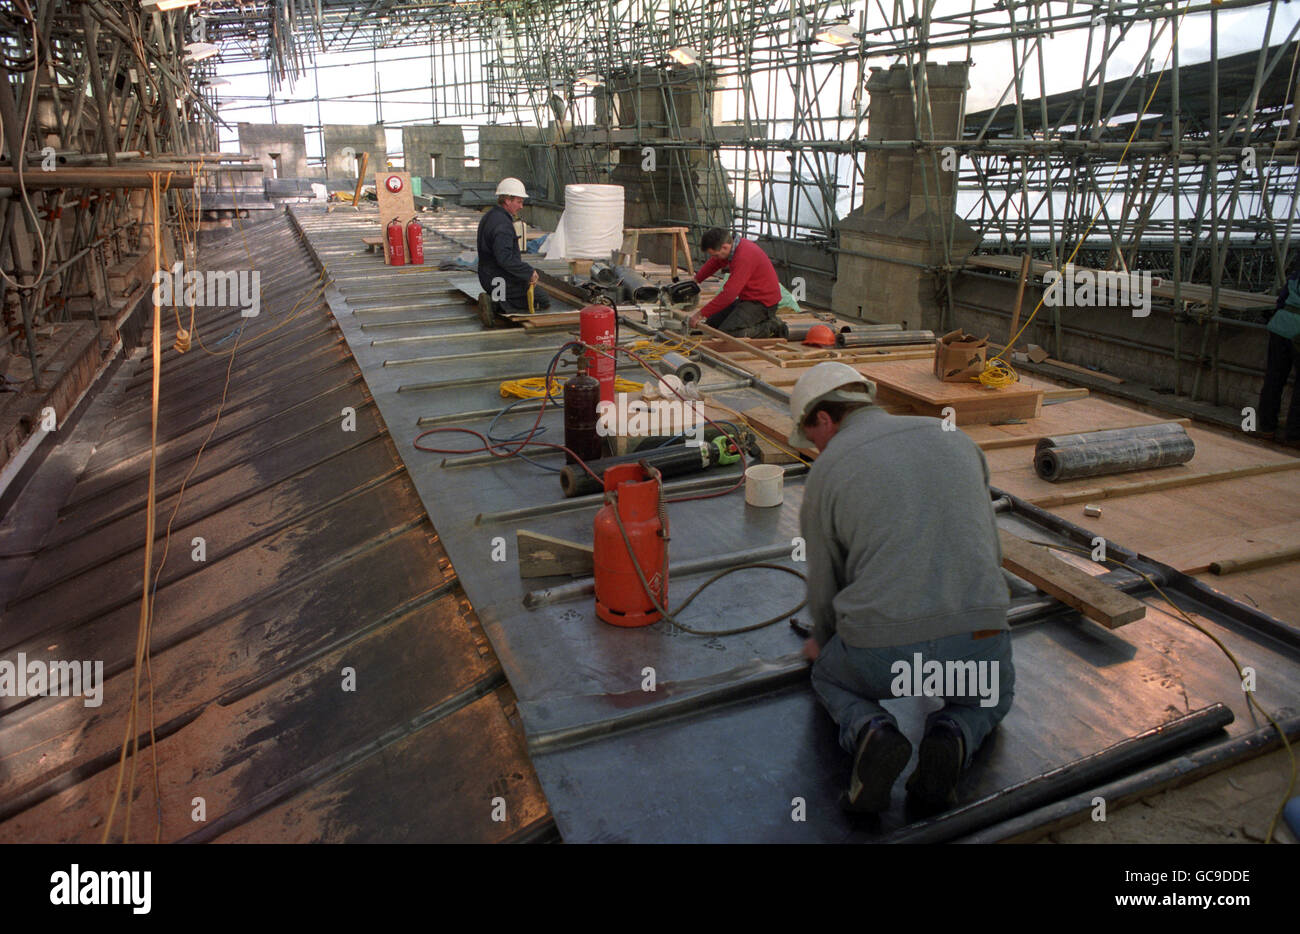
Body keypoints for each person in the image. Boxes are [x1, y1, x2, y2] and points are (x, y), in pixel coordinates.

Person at [790, 362, 1014, 815]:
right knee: (993, 695)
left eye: (812, 437)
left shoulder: (828, 471)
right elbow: (990, 550)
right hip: (978, 638)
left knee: (830, 676)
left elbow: (824, 582)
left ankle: (872, 729)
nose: (815, 448)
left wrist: (824, 642)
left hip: (882, 654)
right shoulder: (957, 439)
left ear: (825, 420)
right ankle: (953, 732)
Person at [686, 228, 785, 338]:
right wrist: (695, 280)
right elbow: (714, 263)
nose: (714, 258)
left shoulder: (744, 256)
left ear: (724, 247)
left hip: (762, 303)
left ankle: (772, 327)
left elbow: (728, 295)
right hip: (747, 298)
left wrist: (700, 314)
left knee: (728, 334)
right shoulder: (732, 248)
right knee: (712, 324)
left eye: (715, 255)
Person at [476, 177, 550, 324]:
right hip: (499, 281)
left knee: (524, 288)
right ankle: (495, 304)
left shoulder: (490, 216)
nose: (521, 206)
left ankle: (497, 299)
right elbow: (505, 259)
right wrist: (528, 271)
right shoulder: (503, 225)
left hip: (488, 277)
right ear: (507, 200)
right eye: (519, 201)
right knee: (542, 299)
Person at [1258, 258, 1300, 445]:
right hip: (1297, 331)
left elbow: (1281, 301)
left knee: (1274, 378)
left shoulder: (1295, 277)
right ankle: (1294, 434)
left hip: (1280, 327)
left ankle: (1266, 427)